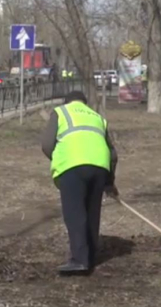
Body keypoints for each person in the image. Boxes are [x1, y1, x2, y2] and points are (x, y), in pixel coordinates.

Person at [40, 91, 119, 276]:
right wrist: (109, 182)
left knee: (75, 214)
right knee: (92, 212)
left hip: (72, 166)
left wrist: (58, 157)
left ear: (67, 102)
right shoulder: (98, 117)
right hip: (100, 166)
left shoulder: (61, 112)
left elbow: (46, 144)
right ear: (85, 103)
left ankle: (79, 260)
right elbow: (113, 154)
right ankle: (90, 257)